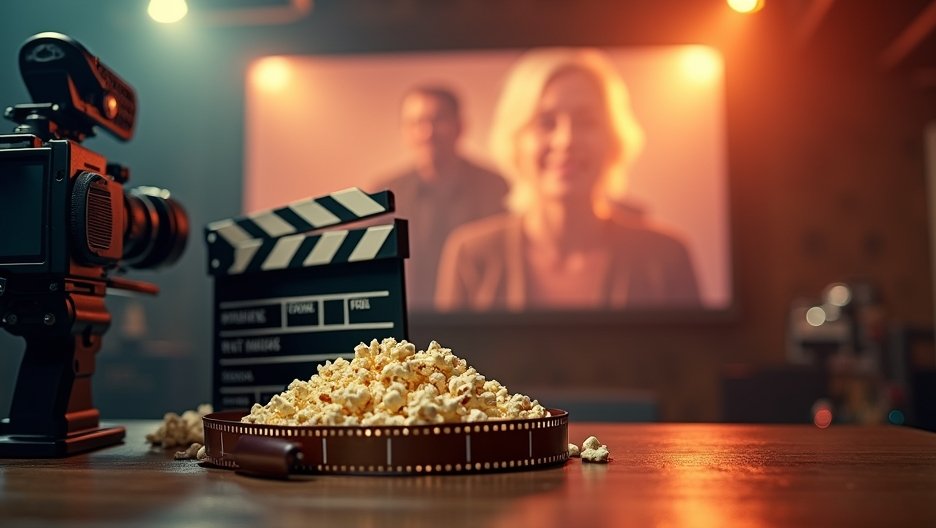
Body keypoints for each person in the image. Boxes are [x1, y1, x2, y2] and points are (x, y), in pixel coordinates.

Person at [435, 48, 700, 312]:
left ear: (613, 139)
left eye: (586, 122)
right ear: (515, 140)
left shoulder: (667, 258)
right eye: (545, 122)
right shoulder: (471, 256)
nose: (566, 140)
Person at [370, 85, 508, 310]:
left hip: (478, 322)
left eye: (437, 120)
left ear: (460, 126)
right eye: (415, 123)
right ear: (404, 131)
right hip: (407, 323)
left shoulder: (496, 187)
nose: (427, 133)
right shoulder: (386, 192)